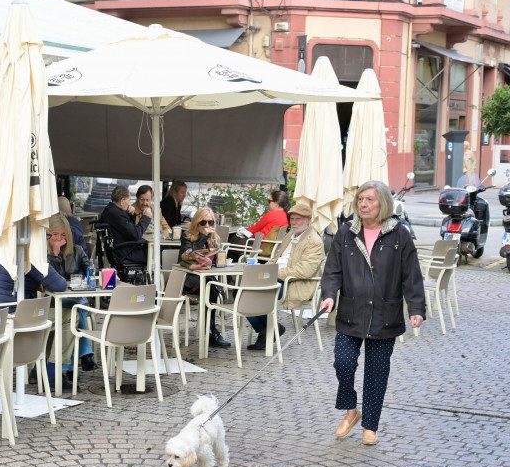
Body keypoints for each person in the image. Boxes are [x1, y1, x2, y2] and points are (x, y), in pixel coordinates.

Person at [320, 180, 426, 446]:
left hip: (384, 315)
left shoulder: (399, 234)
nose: (363, 204)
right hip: (351, 312)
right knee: (343, 362)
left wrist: (416, 308)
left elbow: (411, 275)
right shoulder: (346, 232)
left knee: (377, 371)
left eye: (370, 200)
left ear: (383, 204)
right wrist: (329, 295)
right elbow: (332, 270)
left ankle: (370, 426)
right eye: (360, 200)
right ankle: (351, 410)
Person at [245, 202, 324, 350]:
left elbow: (303, 271)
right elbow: (276, 258)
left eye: (298, 219)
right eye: (292, 219)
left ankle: (269, 329)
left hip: (294, 284)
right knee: (240, 290)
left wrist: (272, 273)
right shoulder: (290, 234)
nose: (293, 222)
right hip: (275, 277)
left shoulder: (314, 241)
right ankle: (268, 328)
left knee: (254, 292)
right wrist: (264, 268)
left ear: (308, 220)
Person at [0, 256, 69, 388]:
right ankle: (51, 372)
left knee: (51, 318)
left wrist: (36, 281)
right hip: (12, 315)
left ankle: (39, 368)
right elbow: (59, 285)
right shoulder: (30, 254)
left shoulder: (3, 251)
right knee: (68, 316)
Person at [46, 214, 96, 377]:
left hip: (76, 297)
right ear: (47, 235)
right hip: (53, 301)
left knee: (77, 308)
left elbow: (90, 271)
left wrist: (100, 275)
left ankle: (68, 367)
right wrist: (55, 254)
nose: (59, 238)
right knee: (77, 311)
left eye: (63, 234)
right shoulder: (43, 255)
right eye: (55, 235)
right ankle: (85, 355)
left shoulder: (77, 250)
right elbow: (54, 281)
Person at [179, 207, 230, 348]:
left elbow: (215, 261)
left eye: (210, 222)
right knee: (211, 285)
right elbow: (187, 255)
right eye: (203, 223)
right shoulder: (186, 236)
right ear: (196, 223)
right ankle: (211, 331)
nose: (207, 226)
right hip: (189, 279)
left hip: (207, 279)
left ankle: (210, 330)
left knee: (210, 285)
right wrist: (202, 237)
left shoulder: (215, 239)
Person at [99, 185, 149, 265]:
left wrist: (131, 214)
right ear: (122, 201)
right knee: (156, 253)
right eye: (129, 200)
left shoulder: (110, 210)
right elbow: (136, 235)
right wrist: (146, 217)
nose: (129, 204)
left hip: (121, 250)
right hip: (126, 253)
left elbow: (128, 229)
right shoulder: (117, 215)